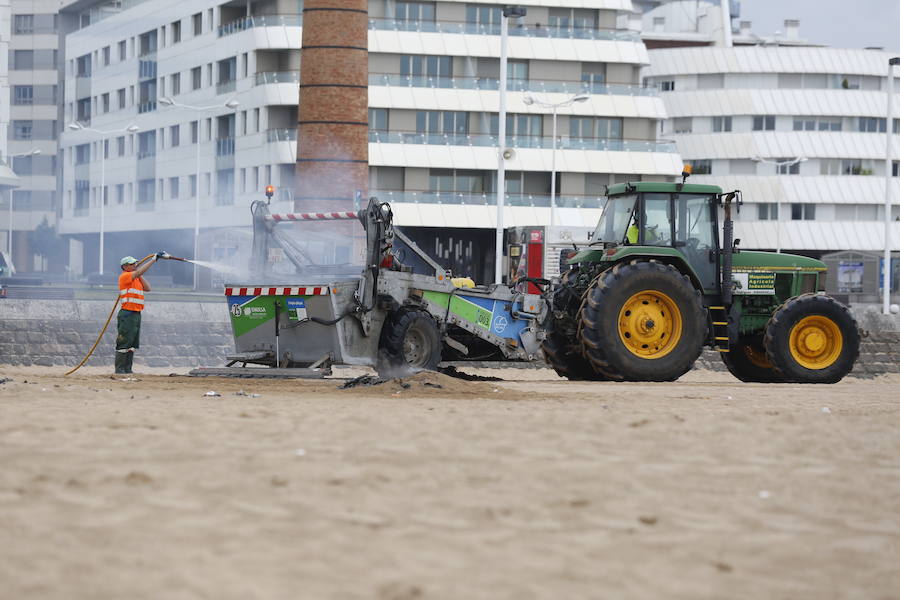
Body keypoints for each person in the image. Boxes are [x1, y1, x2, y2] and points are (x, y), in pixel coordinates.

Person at [115, 253, 164, 374]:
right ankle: (119, 369)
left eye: (135, 263)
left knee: (132, 343)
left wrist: (140, 275)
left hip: (136, 314)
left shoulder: (136, 277)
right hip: (127, 313)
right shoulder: (125, 276)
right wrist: (153, 260)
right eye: (132, 264)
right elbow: (137, 273)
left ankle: (128, 369)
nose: (135, 265)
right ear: (125, 266)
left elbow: (148, 288)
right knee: (124, 341)